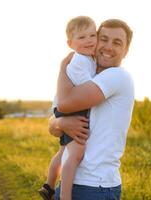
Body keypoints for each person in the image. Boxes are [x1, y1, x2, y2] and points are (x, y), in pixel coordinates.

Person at [49, 19, 134, 200]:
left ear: (126, 51)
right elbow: (53, 128)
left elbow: (63, 104)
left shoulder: (117, 76)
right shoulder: (90, 76)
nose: (108, 47)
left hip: (95, 187)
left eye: (117, 42)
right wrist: (60, 122)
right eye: (103, 39)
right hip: (72, 182)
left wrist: (63, 66)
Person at [39, 16, 97, 200]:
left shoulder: (87, 58)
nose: (89, 40)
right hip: (71, 108)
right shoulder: (79, 60)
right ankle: (65, 196)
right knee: (75, 153)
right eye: (82, 37)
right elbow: (88, 87)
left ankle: (48, 185)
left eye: (92, 35)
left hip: (64, 107)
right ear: (70, 43)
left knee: (64, 151)